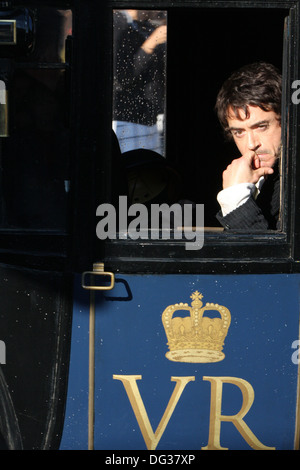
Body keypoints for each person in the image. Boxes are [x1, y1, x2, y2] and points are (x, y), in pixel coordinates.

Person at [215, 62, 282, 230]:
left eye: (261, 127)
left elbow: (265, 256)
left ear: (286, 122)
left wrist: (236, 199)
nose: (251, 144)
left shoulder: (290, 182)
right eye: (239, 132)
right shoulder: (261, 180)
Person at [112, 10, 167, 154]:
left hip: (151, 118)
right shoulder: (118, 22)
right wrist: (151, 43)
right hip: (129, 119)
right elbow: (123, 77)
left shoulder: (140, 25)